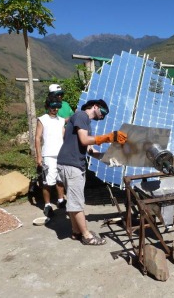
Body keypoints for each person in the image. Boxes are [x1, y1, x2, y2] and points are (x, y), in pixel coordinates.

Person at [57, 99, 127, 246]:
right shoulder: (82, 115)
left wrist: (105, 158)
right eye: (102, 112)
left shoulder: (86, 123)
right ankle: (87, 236)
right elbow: (84, 140)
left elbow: (89, 148)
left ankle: (76, 231)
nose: (102, 117)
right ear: (95, 106)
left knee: (73, 201)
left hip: (69, 163)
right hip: (72, 164)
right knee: (77, 203)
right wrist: (108, 137)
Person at [35, 95, 67, 217]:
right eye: (53, 107)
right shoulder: (42, 119)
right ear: (48, 106)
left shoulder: (61, 120)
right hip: (48, 154)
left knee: (60, 179)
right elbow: (37, 138)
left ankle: (60, 200)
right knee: (47, 181)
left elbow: (63, 136)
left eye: (58, 107)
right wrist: (39, 157)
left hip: (61, 154)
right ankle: (47, 205)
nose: (56, 109)